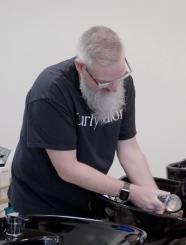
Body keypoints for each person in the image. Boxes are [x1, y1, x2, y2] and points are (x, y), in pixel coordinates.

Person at [8, 25, 167, 218]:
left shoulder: (120, 82)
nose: (116, 88)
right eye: (105, 83)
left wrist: (157, 201)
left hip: (87, 197)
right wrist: (130, 191)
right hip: (41, 204)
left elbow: (129, 150)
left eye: (121, 76)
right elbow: (68, 169)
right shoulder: (51, 91)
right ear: (81, 67)